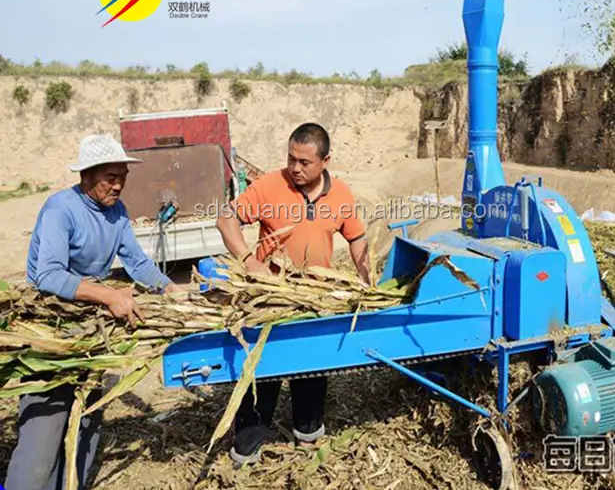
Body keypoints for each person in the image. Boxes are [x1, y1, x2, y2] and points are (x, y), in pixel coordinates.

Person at [4, 134, 184, 490]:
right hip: (52, 334)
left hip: (92, 331)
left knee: (87, 420)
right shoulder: (61, 209)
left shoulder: (117, 214)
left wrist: (169, 288)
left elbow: (137, 262)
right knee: (44, 433)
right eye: (110, 177)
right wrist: (107, 295)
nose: (118, 185)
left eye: (122, 177)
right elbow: (48, 274)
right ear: (86, 176)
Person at [216, 122, 370, 465]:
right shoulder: (270, 185)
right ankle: (247, 449)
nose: (295, 168)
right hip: (270, 298)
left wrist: (365, 278)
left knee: (312, 369)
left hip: (316, 298)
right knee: (263, 373)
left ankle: (308, 435)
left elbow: (357, 238)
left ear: (325, 160)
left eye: (304, 162)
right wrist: (248, 261)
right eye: (291, 159)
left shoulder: (341, 194)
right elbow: (226, 220)